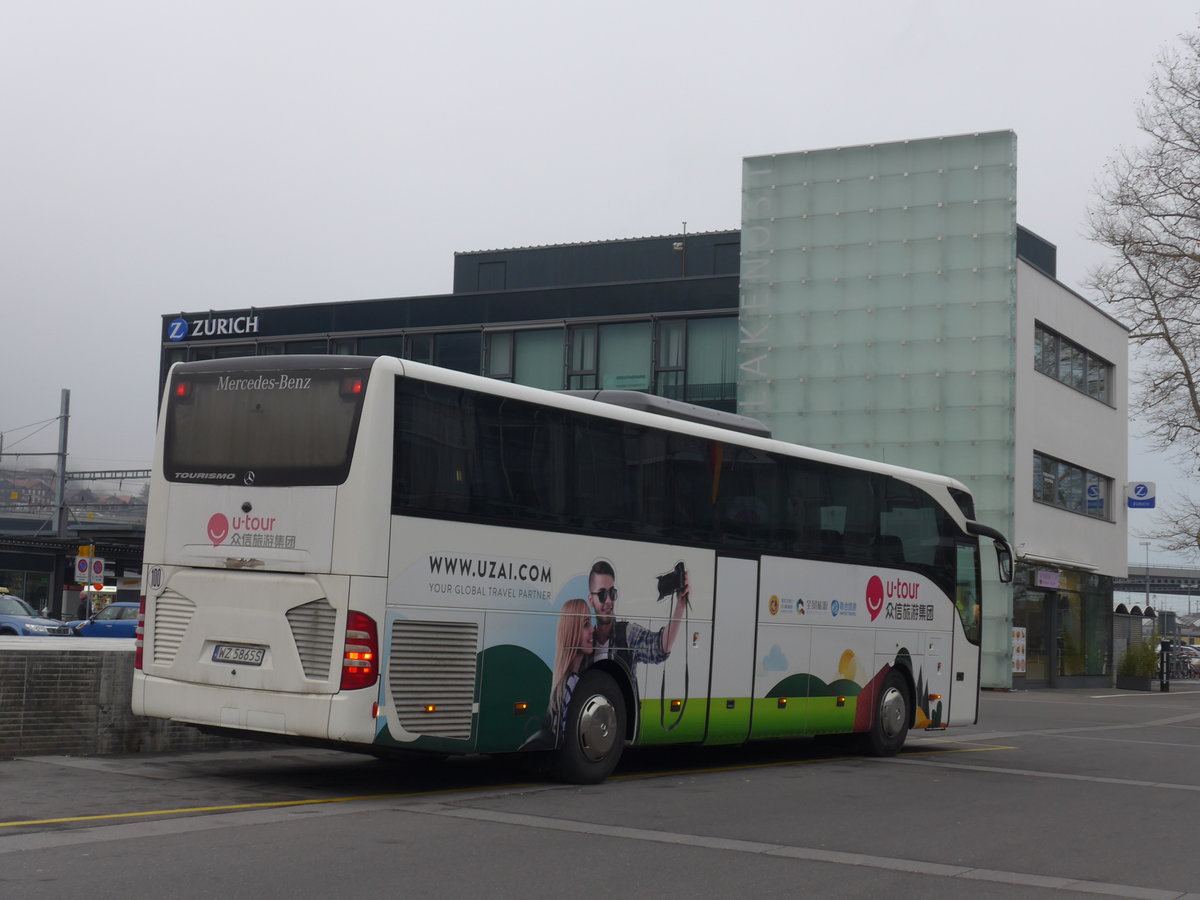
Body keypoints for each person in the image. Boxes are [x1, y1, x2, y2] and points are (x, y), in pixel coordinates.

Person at [587, 558, 689, 686]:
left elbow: (659, 648)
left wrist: (680, 606)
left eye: (612, 593)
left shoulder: (628, 633)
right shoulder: (585, 640)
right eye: (602, 594)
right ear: (591, 600)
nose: (608, 600)